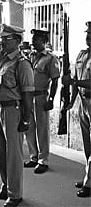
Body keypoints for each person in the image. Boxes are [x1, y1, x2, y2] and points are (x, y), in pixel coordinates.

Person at [0, 24, 34, 207]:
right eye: (1, 38)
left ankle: (15, 193)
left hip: (14, 111)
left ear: (17, 41)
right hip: (1, 109)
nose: (1, 42)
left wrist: (26, 119)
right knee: (2, 150)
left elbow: (27, 95)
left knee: (14, 154)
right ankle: (6, 186)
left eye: (5, 39)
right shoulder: (3, 59)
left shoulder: (22, 63)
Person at [24, 29, 60, 174]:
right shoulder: (30, 56)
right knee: (29, 127)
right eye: (33, 38)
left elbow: (55, 80)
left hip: (41, 96)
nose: (33, 41)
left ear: (44, 41)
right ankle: (33, 156)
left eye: (37, 39)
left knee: (42, 129)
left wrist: (51, 99)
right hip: (28, 96)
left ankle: (43, 160)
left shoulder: (51, 58)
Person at [62, 21, 91, 198]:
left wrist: (73, 83)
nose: (88, 36)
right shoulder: (82, 54)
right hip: (83, 102)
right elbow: (74, 77)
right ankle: (89, 174)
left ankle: (89, 183)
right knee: (87, 144)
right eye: (87, 33)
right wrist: (71, 101)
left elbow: (77, 81)